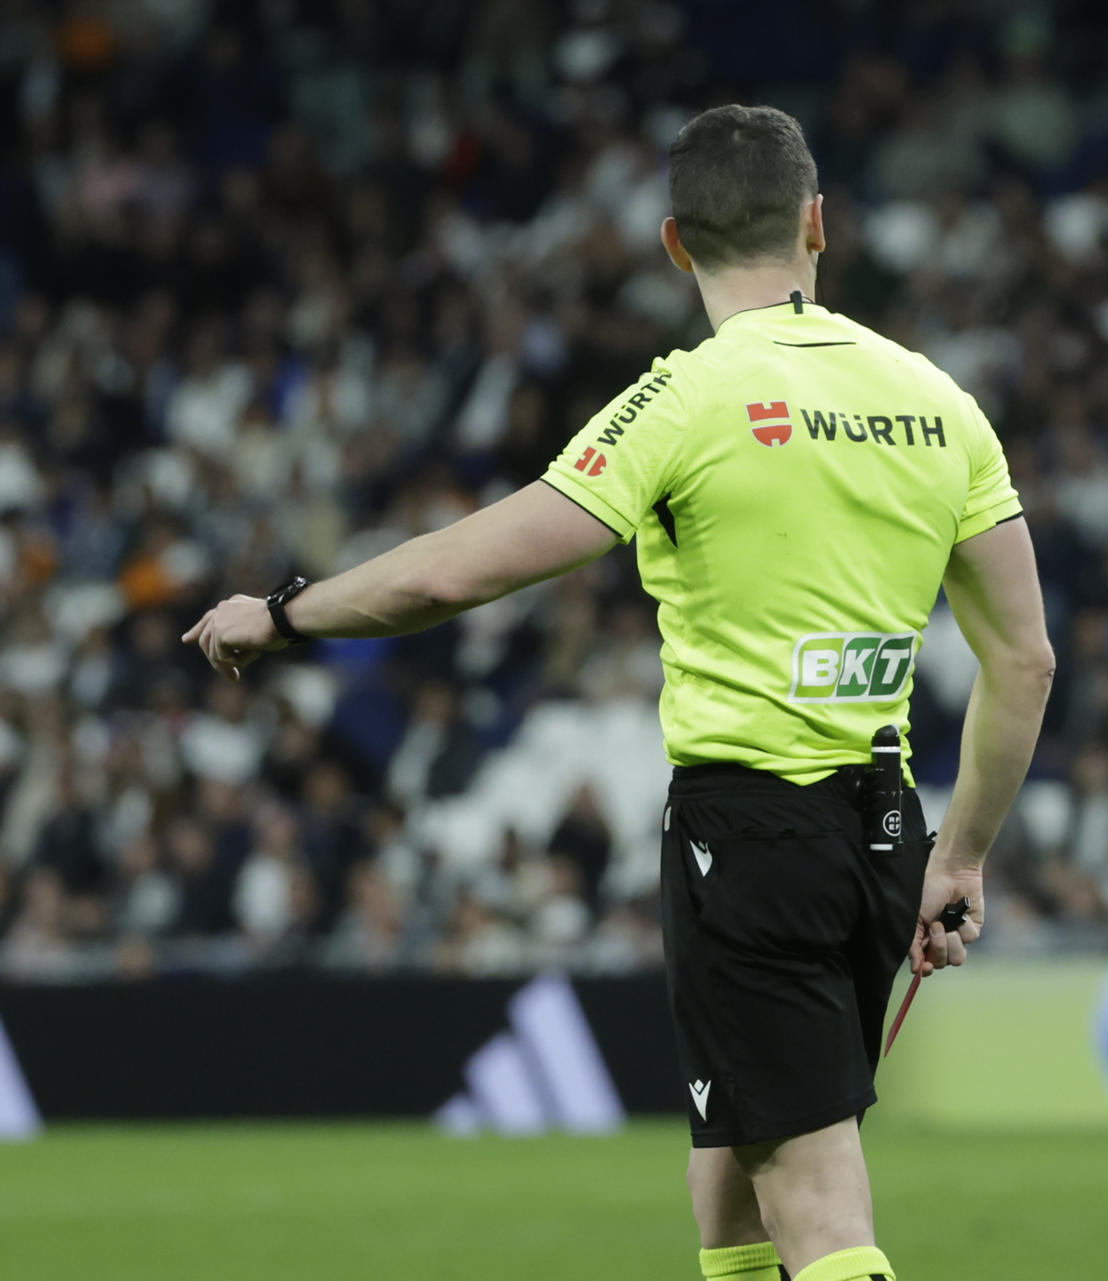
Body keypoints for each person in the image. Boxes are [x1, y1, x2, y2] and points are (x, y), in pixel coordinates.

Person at [185, 104, 1055, 1281]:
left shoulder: (687, 398)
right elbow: (1024, 660)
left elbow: (453, 571)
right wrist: (961, 855)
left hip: (752, 829)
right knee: (731, 1190)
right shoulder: (942, 404)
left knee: (814, 1201)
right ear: (816, 224)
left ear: (674, 244)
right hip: (883, 833)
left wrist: (284, 613)